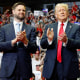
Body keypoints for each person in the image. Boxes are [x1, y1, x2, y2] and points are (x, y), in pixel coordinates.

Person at [40, 3, 80, 80]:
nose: (62, 12)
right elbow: (42, 44)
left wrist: (67, 41)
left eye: (64, 10)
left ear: (68, 13)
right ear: (55, 15)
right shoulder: (49, 27)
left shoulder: (76, 27)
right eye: (59, 11)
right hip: (52, 66)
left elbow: (79, 43)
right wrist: (49, 40)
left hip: (69, 66)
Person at [0, 2, 37, 80]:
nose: (21, 12)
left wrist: (25, 41)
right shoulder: (4, 28)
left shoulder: (31, 29)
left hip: (24, 69)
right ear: (13, 11)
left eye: (23, 10)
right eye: (19, 10)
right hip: (7, 69)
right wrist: (14, 41)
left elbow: (34, 49)